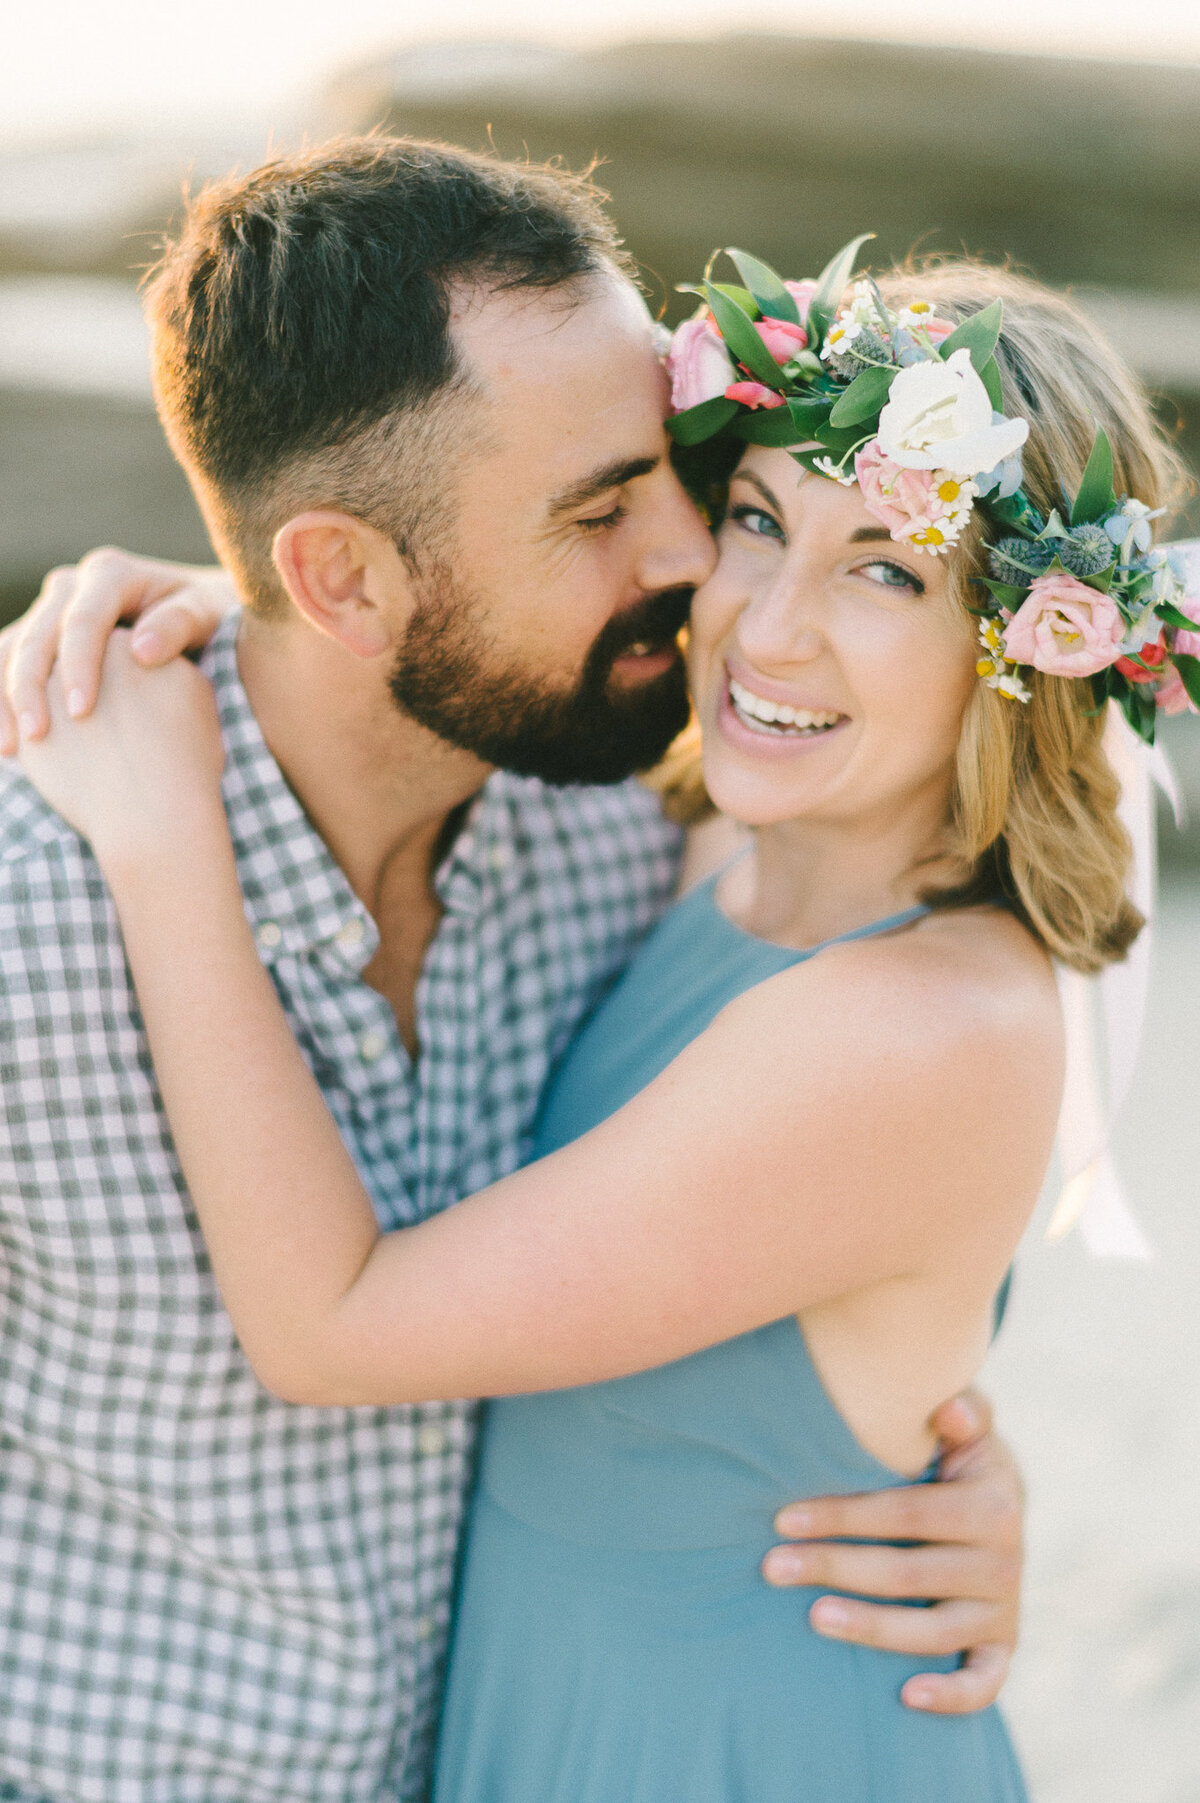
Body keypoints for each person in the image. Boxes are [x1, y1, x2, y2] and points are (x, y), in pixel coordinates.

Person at [17, 227, 1194, 1797]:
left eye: (889, 572)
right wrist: (256, 624)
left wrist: (169, 843)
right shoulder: (701, 845)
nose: (758, 618)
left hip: (720, 1749)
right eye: (759, 518)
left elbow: (338, 1325)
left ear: (1023, 656)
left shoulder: (924, 1028)